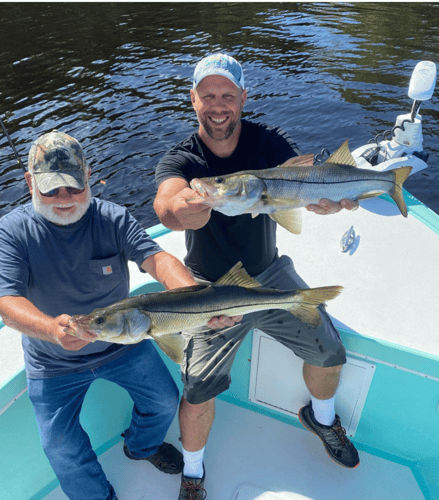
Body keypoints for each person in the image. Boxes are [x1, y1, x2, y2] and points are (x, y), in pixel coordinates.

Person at [153, 53, 361, 499]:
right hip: (206, 288)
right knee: (196, 389)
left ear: (243, 98)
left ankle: (322, 420)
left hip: (269, 274)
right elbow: (167, 207)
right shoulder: (182, 158)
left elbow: (302, 183)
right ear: (193, 100)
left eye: (227, 94)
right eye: (208, 95)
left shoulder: (269, 143)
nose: (218, 104)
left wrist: (325, 199)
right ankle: (193, 471)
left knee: (328, 349)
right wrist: (182, 210)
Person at [0, 130, 210, 500]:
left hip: (124, 344)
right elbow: (7, 305)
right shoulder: (11, 233)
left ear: (88, 177)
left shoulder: (112, 218)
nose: (64, 199)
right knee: (58, 445)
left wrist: (192, 296)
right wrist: (50, 329)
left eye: (74, 187)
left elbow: (158, 259)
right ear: (30, 182)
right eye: (51, 189)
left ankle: (140, 447)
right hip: (52, 359)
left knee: (163, 401)